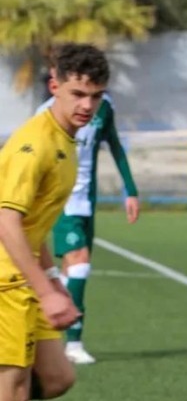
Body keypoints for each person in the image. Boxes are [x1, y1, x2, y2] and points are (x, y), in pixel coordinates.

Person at [0, 43, 109, 401]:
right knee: (14, 387)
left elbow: (33, 225)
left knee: (56, 377)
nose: (87, 105)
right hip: (5, 283)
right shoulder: (34, 145)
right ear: (54, 87)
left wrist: (51, 280)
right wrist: (46, 292)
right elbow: (6, 220)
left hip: (24, 275)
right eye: (77, 94)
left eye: (96, 96)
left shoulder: (66, 141)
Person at [34, 82, 140, 365]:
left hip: (87, 201)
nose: (87, 102)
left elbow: (114, 144)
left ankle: (43, 330)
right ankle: (73, 343)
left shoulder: (104, 107)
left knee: (71, 270)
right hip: (60, 200)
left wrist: (130, 190)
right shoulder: (45, 114)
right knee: (80, 263)